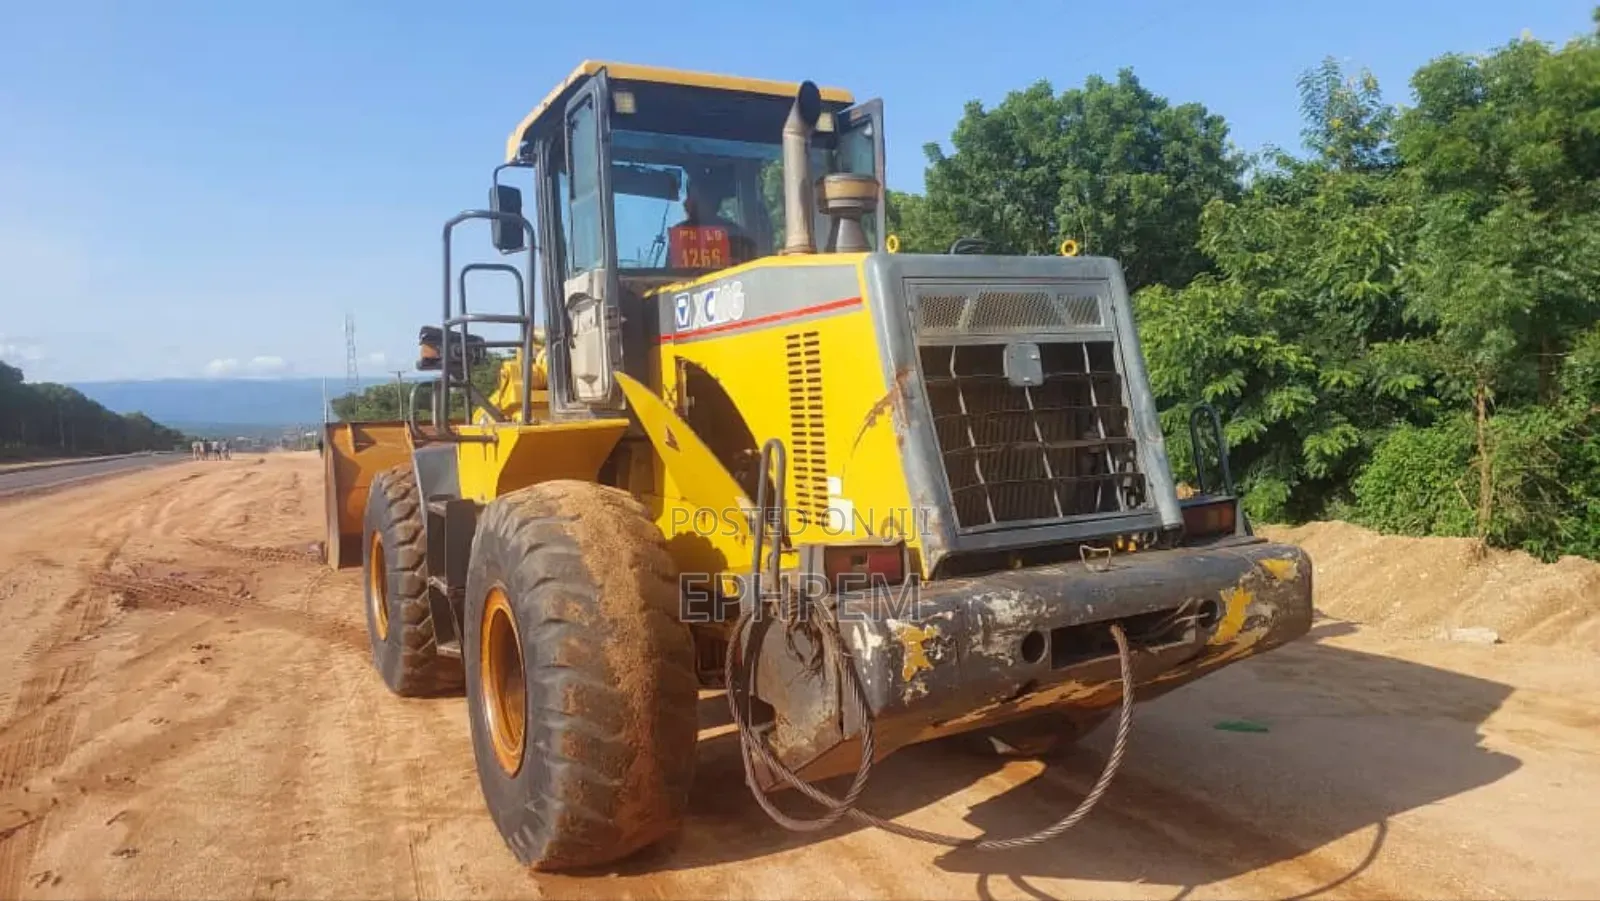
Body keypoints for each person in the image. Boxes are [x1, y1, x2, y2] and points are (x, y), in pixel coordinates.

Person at [672, 167, 757, 267]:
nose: (686, 203)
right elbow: (669, 273)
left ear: (715, 201)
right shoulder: (681, 234)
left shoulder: (737, 236)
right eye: (691, 197)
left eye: (698, 198)